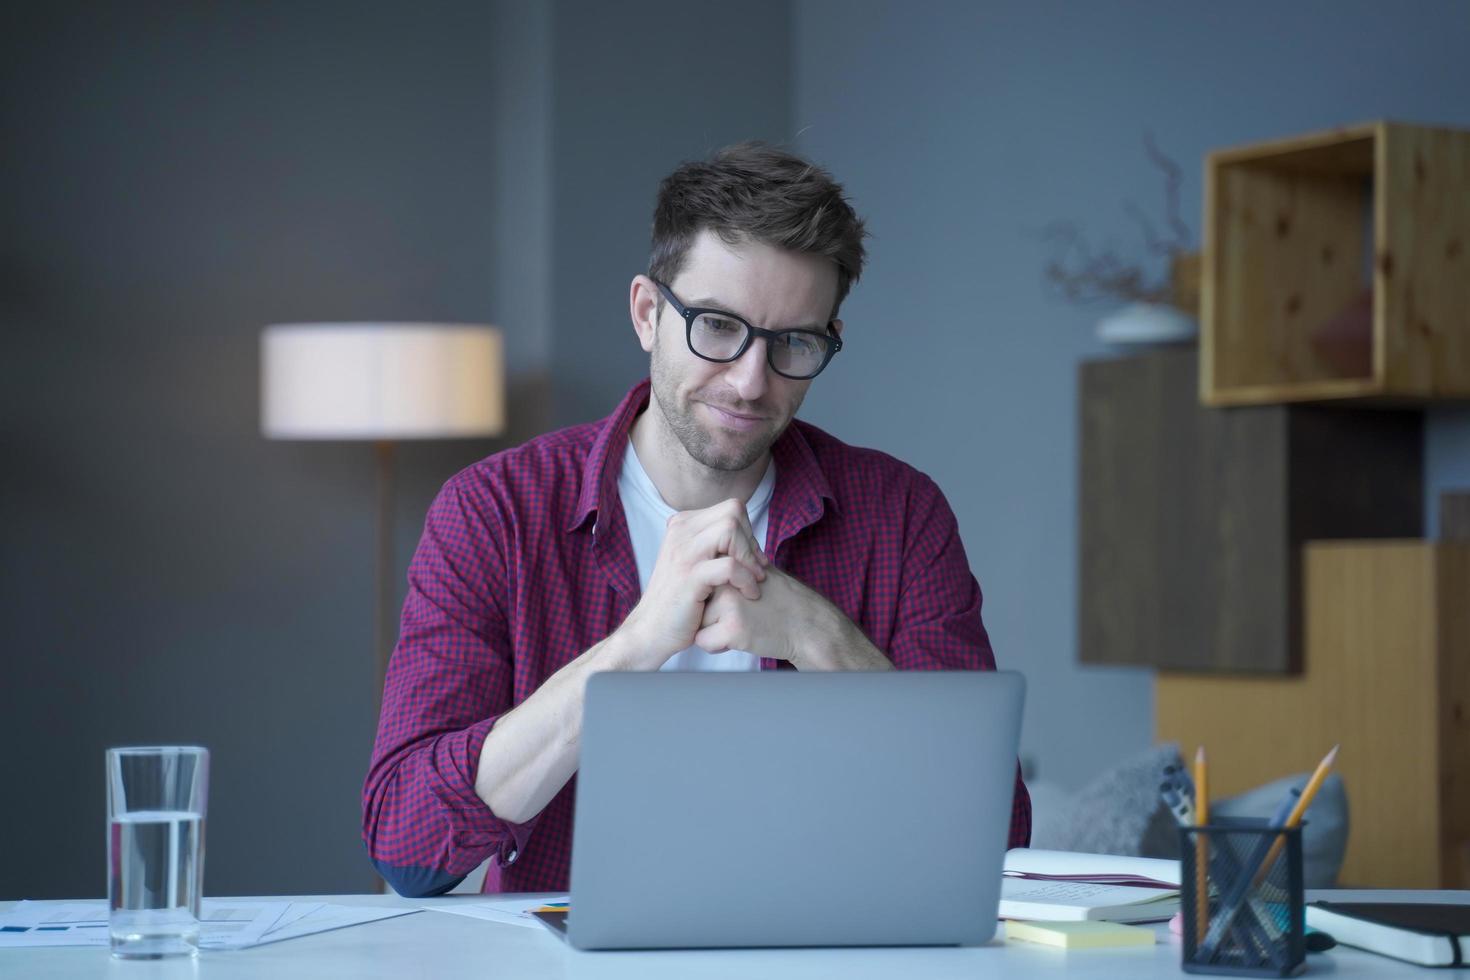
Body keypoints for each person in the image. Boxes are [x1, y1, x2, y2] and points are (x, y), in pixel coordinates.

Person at [362, 142, 1031, 896]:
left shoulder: (902, 515)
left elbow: (997, 839)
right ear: (649, 313)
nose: (751, 381)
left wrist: (821, 639)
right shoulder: (496, 511)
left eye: (795, 344)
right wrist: (635, 647)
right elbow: (407, 846)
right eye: (717, 326)